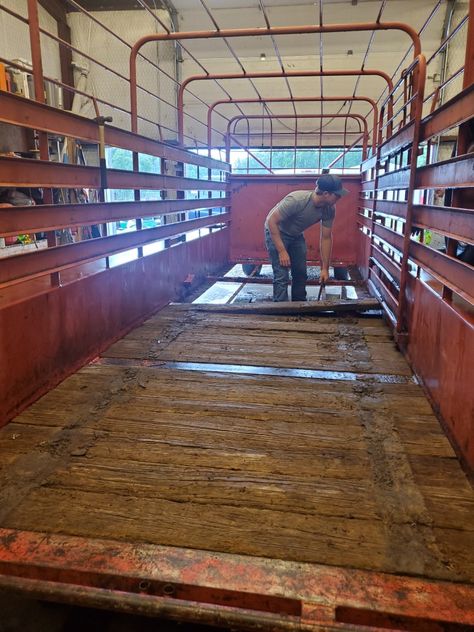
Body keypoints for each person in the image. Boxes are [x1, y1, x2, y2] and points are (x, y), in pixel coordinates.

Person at [264, 174, 348, 302]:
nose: (340, 197)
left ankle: (299, 306)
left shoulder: (329, 209)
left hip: (296, 235)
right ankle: (280, 311)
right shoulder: (297, 200)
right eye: (337, 194)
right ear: (326, 194)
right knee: (282, 276)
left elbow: (326, 238)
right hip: (277, 232)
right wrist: (281, 251)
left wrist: (324, 269)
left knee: (300, 273)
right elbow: (271, 221)